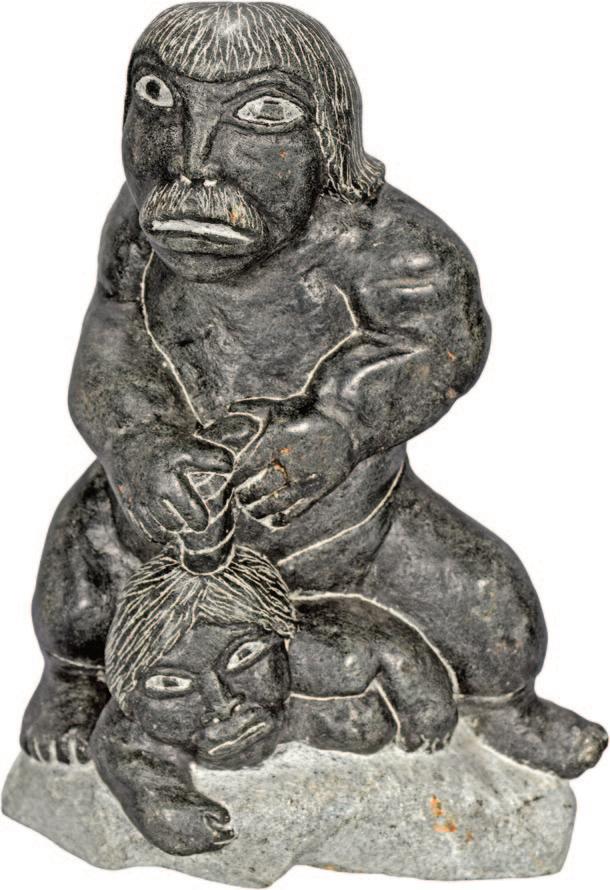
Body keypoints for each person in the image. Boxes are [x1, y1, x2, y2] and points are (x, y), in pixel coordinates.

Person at [22, 2, 606, 778]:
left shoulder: (389, 245)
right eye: (160, 100)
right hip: (168, 534)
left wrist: (337, 423)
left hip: (352, 532)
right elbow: (113, 340)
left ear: (328, 134)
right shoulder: (138, 225)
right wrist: (136, 442)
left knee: (487, 600)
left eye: (260, 114)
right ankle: (75, 677)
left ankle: (504, 706)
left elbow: (444, 346)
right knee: (82, 559)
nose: (195, 162)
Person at [92, 551, 457, 855]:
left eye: (244, 656)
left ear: (284, 639)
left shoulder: (328, 653)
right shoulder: (130, 724)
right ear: (130, 700)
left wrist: (426, 709)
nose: (222, 702)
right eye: (171, 684)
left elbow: (390, 645)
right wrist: (165, 809)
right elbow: (129, 764)